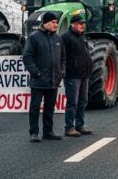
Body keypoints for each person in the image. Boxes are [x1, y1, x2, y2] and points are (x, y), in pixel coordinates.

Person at [22, 11, 66, 142]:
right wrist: (36, 72)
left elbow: (63, 57)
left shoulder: (58, 38)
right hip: (39, 79)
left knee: (50, 107)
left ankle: (48, 131)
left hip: (54, 79)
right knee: (35, 107)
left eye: (56, 22)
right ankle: (34, 132)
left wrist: (62, 71)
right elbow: (27, 57)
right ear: (45, 23)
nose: (55, 25)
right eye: (53, 22)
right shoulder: (34, 37)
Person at [62, 14, 93, 137]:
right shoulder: (66, 37)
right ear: (72, 24)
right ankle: (69, 127)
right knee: (72, 102)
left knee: (83, 101)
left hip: (84, 74)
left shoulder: (81, 37)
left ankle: (80, 124)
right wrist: (64, 71)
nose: (82, 26)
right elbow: (62, 56)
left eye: (83, 24)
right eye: (80, 24)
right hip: (72, 75)